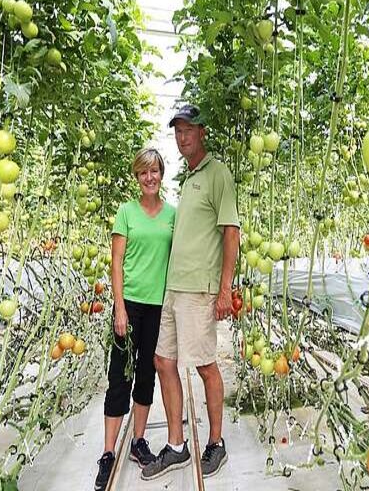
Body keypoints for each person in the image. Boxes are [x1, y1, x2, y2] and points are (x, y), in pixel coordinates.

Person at [141, 104, 240, 481]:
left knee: (204, 365)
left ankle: (216, 443)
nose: (182, 137)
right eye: (177, 131)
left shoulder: (218, 175)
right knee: (163, 361)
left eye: (188, 130)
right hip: (174, 288)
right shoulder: (188, 178)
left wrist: (224, 288)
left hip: (199, 289)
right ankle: (178, 445)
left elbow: (230, 232)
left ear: (202, 133)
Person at [94, 148, 176, 490]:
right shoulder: (126, 212)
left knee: (146, 377)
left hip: (159, 307)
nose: (149, 177)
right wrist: (119, 308)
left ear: (161, 174)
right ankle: (109, 452)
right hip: (130, 305)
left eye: (154, 171)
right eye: (143, 172)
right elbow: (116, 264)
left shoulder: (172, 215)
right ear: (137, 177)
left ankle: (138, 441)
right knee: (119, 377)